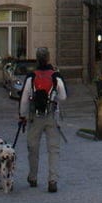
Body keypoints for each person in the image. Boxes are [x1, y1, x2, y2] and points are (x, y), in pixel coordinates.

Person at [18, 47, 67, 192]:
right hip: (52, 116)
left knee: (33, 148)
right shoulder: (55, 76)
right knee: (53, 149)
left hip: (35, 117)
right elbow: (63, 96)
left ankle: (33, 177)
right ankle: (52, 180)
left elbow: (25, 99)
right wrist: (54, 99)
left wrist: (22, 116)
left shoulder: (31, 77)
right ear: (49, 58)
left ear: (37, 59)